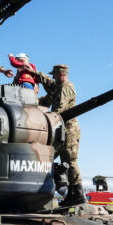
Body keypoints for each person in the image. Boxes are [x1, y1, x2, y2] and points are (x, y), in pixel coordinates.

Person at [28, 63, 85, 207]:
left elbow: (59, 108)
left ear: (61, 74)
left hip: (69, 129)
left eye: (54, 74)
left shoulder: (66, 87)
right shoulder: (59, 86)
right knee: (64, 160)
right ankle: (71, 193)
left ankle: (78, 194)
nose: (53, 77)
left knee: (70, 161)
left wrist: (43, 119)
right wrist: (35, 73)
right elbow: (49, 83)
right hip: (61, 128)